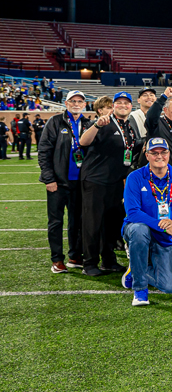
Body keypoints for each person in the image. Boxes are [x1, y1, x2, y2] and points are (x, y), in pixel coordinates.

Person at [121, 138, 172, 306]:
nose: (159, 156)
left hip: (165, 236)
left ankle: (135, 268)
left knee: (169, 286)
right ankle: (140, 291)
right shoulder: (134, 177)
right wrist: (164, 226)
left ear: (169, 154)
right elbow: (133, 213)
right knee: (139, 230)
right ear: (147, 155)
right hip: (140, 229)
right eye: (154, 153)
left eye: (163, 152)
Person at [76, 91, 141, 276]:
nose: (123, 105)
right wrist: (96, 125)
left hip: (116, 182)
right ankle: (89, 263)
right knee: (92, 223)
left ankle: (108, 260)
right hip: (96, 180)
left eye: (126, 103)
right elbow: (83, 141)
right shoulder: (103, 122)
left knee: (111, 224)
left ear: (131, 106)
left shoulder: (128, 126)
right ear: (113, 106)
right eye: (118, 102)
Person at [38, 90, 92, 273]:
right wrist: (49, 178)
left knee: (77, 221)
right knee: (55, 222)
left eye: (80, 101)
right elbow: (44, 152)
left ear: (85, 105)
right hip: (58, 183)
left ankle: (75, 255)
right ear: (66, 103)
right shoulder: (55, 122)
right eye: (72, 101)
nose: (76, 104)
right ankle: (56, 259)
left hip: (80, 183)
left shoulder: (88, 124)